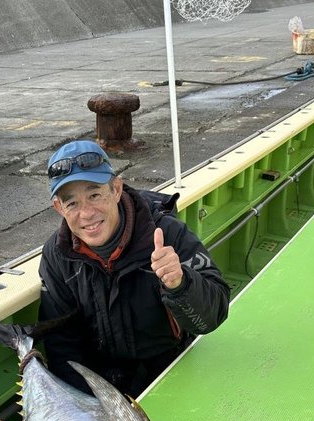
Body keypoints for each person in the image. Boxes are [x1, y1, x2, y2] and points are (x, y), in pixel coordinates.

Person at [38, 139, 230, 398]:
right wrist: (98, 407)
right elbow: (62, 348)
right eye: (72, 203)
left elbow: (213, 315)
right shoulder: (57, 255)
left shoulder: (166, 233)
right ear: (59, 208)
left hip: (170, 372)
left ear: (116, 189)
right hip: (102, 389)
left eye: (95, 195)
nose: (86, 213)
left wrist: (181, 284)